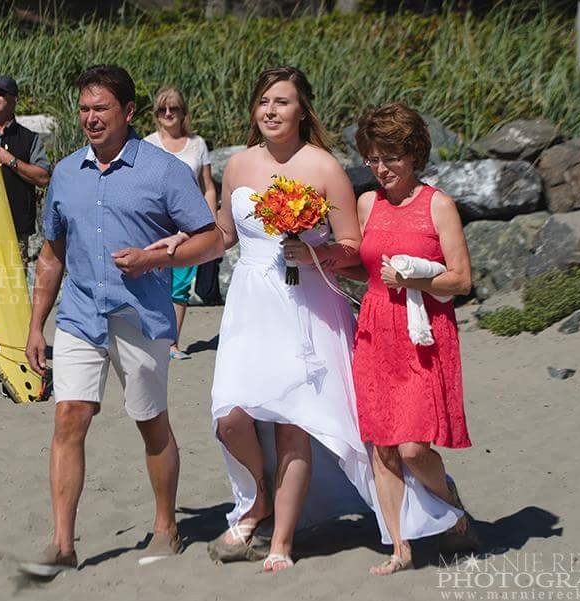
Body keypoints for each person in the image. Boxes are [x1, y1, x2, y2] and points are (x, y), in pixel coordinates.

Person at [157, 67, 462, 572]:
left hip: (308, 304)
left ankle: (280, 542)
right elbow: (223, 236)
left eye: (282, 102)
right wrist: (178, 246)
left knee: (294, 423)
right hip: (251, 302)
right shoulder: (237, 165)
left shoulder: (324, 168)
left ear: (303, 111)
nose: (271, 110)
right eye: (264, 102)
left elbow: (353, 249)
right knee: (230, 417)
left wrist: (312, 246)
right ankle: (259, 496)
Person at [18, 64, 223, 577]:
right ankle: (63, 542)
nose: (90, 118)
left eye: (101, 108)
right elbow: (51, 255)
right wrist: (34, 325)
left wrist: (157, 260)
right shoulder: (64, 173)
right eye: (84, 108)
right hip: (80, 316)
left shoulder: (164, 171)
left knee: (150, 423)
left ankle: (165, 526)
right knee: (69, 418)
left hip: (142, 317)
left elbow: (210, 240)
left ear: (128, 112)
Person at [339, 101, 476, 575]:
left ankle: (450, 504)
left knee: (414, 447)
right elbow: (364, 266)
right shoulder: (366, 203)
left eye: (390, 157)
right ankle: (399, 546)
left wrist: (415, 282)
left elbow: (461, 280)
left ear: (413, 154)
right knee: (381, 443)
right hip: (376, 329)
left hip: (423, 335)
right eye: (373, 159)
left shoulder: (438, 205)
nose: (380, 168)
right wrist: (325, 258)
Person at [0, 74, 52, 371]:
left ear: (13, 100)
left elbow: (43, 177)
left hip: (15, 226)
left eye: (1, 93)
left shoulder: (29, 139)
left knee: (12, 288)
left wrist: (10, 160)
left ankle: (12, 344)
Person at [143, 86, 217, 360]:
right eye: (162, 109)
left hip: (188, 224)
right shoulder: (148, 143)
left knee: (180, 284)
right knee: (153, 280)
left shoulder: (198, 144)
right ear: (156, 114)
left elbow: (208, 186)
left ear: (183, 112)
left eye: (173, 108)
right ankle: (150, 340)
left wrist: (210, 223)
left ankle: (172, 344)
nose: (168, 114)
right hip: (156, 223)